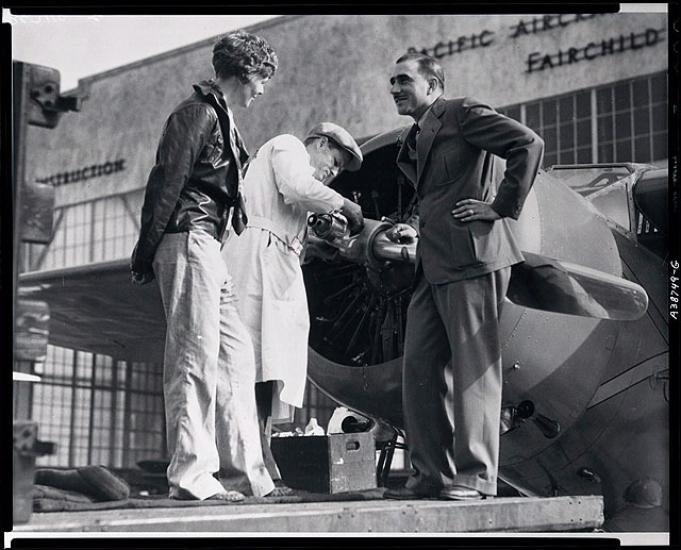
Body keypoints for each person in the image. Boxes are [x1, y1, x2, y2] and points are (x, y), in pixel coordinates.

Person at [382, 53, 544, 501]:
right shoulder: (414, 138)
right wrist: (411, 225)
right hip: (431, 266)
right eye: (391, 81)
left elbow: (528, 144)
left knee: (475, 371)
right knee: (417, 369)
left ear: (433, 83)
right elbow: (438, 194)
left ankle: (475, 477)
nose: (393, 87)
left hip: (472, 260)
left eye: (403, 79)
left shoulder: (463, 112)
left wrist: (500, 207)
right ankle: (429, 474)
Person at [130, 31, 280, 501]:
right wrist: (147, 249)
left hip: (207, 247)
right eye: (262, 80)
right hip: (188, 239)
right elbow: (167, 182)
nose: (262, 90)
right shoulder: (196, 114)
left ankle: (245, 476)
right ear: (246, 72)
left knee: (235, 358)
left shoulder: (223, 117)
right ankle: (192, 478)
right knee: (194, 361)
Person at [222, 122, 364, 483]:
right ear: (316, 143)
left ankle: (260, 463)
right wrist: (345, 204)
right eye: (334, 160)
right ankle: (250, 467)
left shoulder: (295, 182)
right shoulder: (288, 147)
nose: (333, 172)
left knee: (270, 369)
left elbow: (290, 221)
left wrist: (319, 245)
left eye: (339, 171)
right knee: (251, 366)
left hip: (274, 263)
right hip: (255, 262)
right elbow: (296, 188)